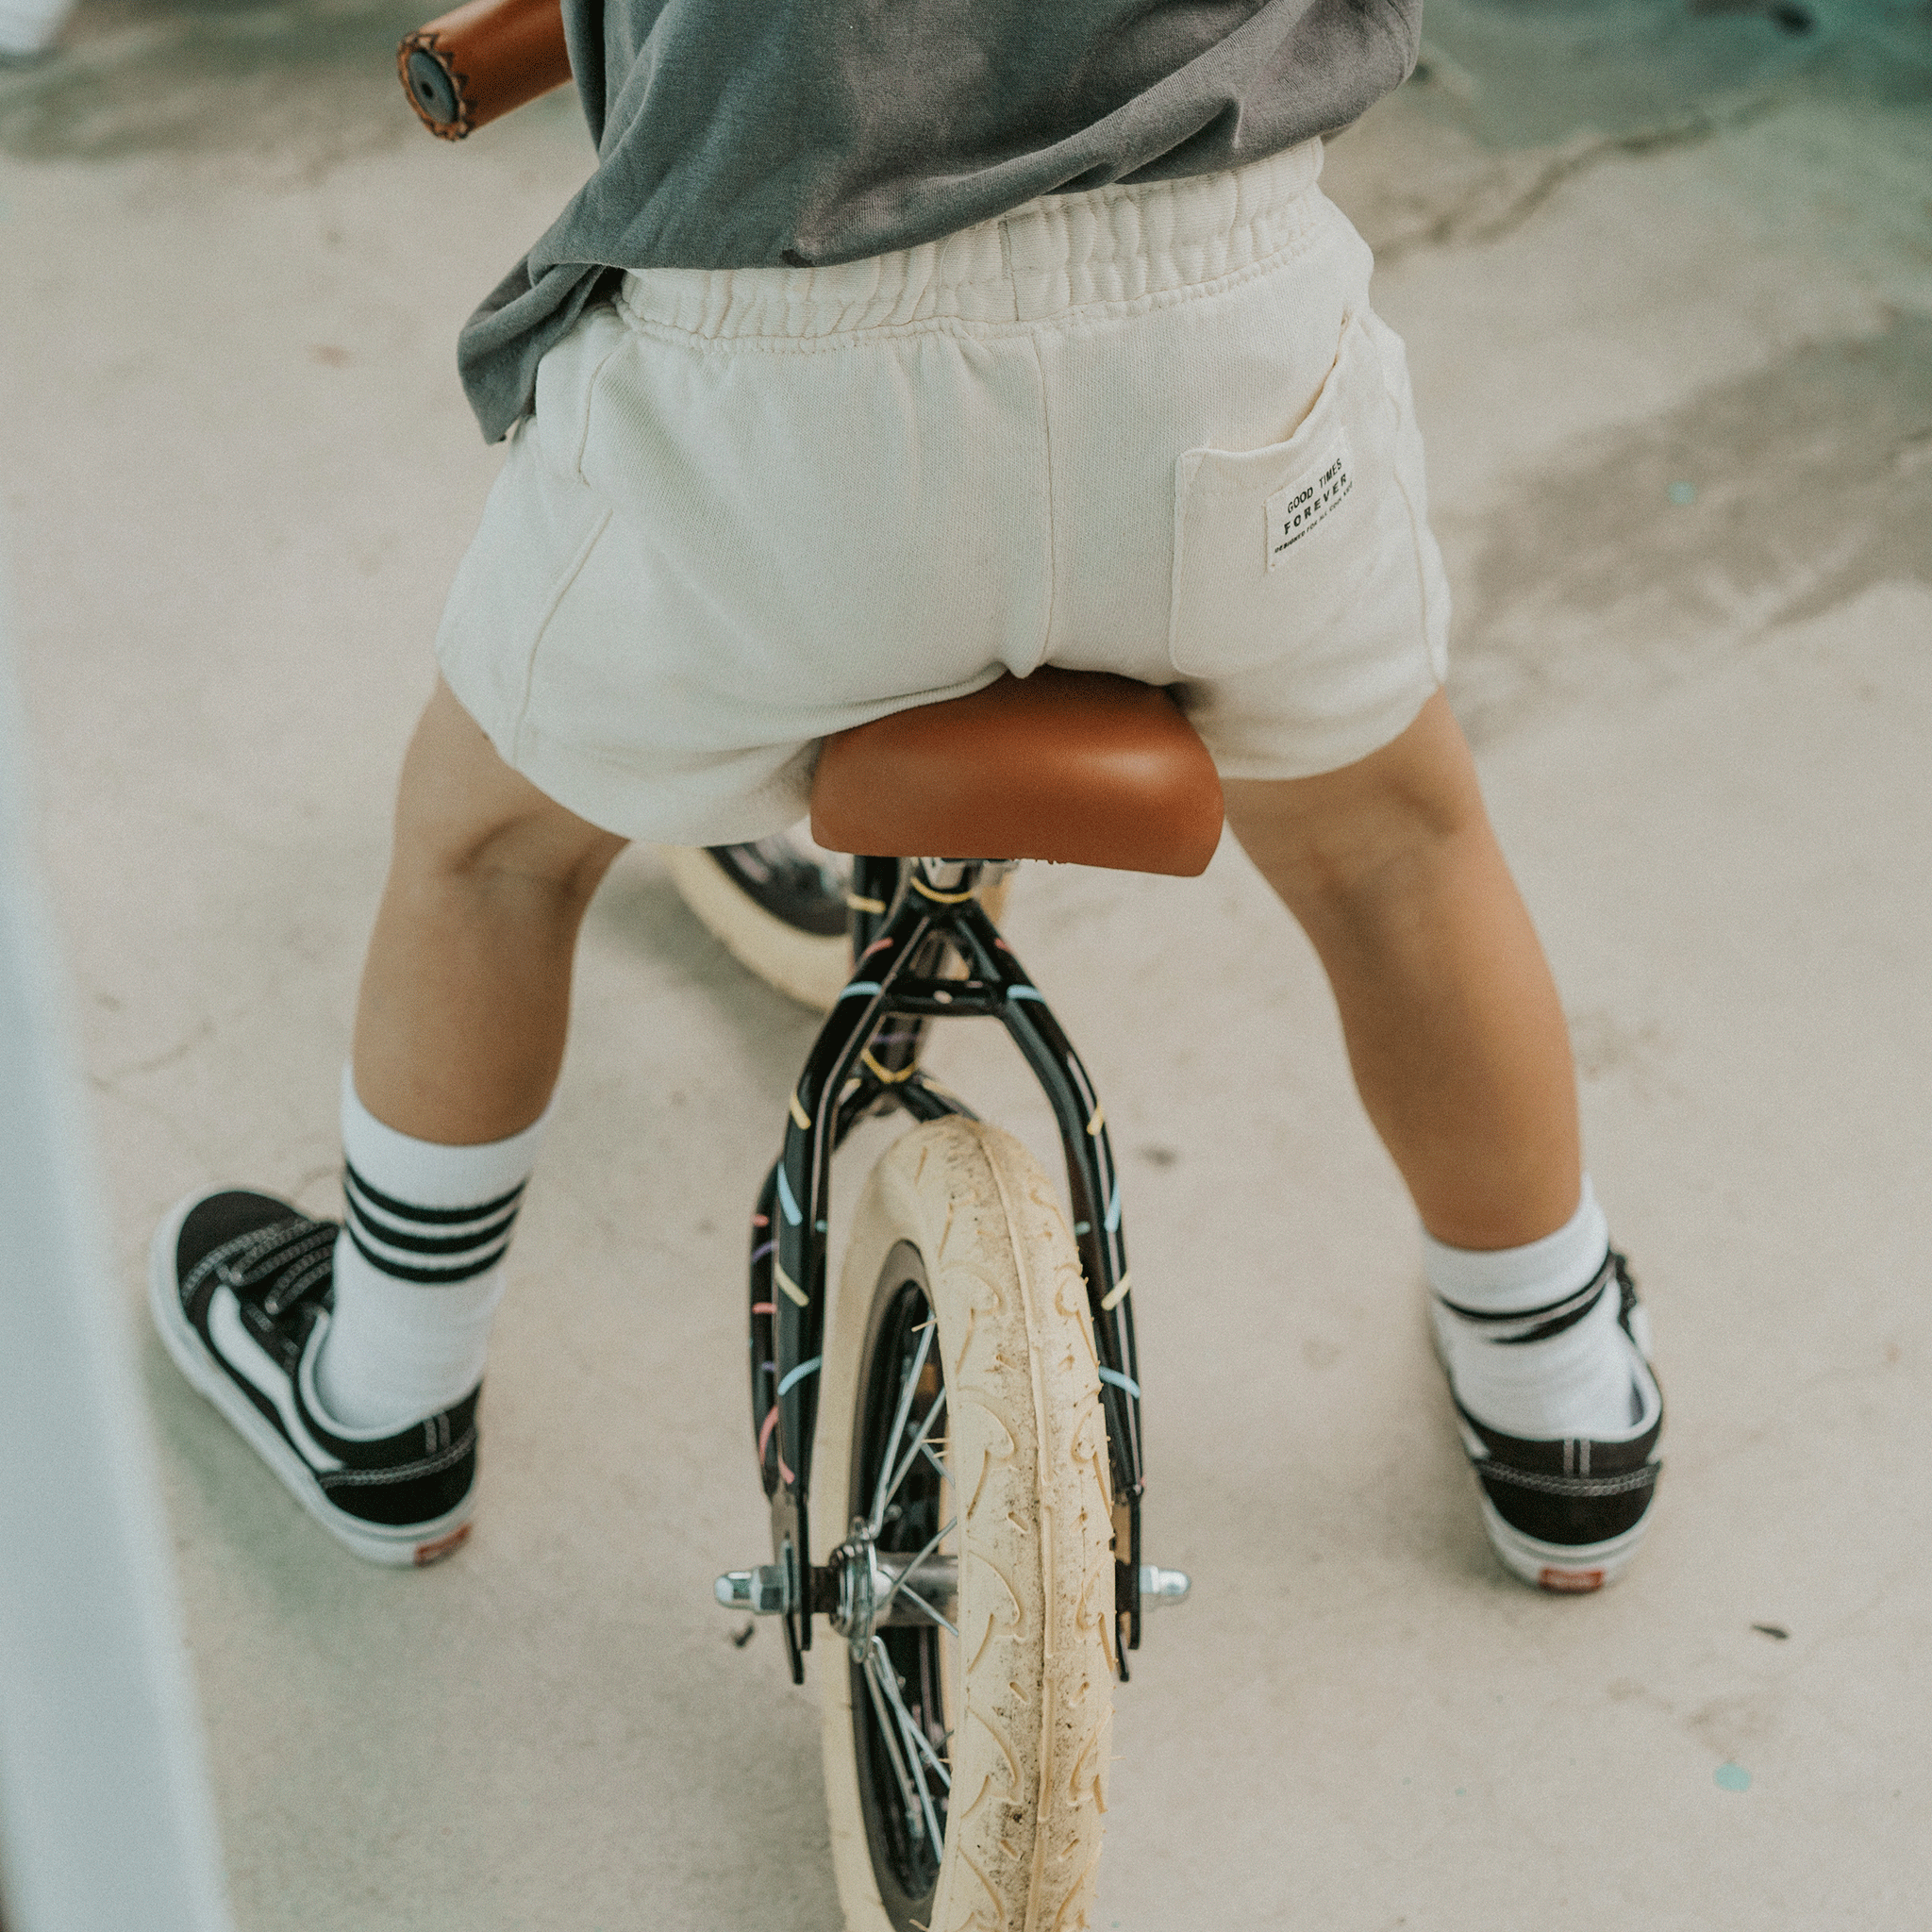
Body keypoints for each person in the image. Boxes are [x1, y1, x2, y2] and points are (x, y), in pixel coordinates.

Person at [149, 0, 1661, 1590]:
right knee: (1396, 849)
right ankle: (1556, 1389)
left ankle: (382, 1392)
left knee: (491, 849)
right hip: (1219, 326)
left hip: (781, 374)